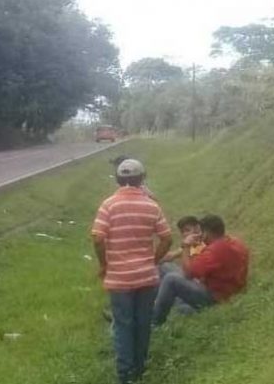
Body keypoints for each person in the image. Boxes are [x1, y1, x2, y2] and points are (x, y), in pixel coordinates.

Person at [92, 159, 173, 384]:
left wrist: (104, 264)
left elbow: (98, 237)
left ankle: (125, 373)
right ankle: (139, 367)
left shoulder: (108, 205)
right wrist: (153, 260)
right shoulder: (151, 206)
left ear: (118, 180)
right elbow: (167, 238)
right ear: (141, 179)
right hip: (146, 276)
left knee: (123, 324)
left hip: (119, 278)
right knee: (142, 322)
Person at [153, 215, 249, 326]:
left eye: (202, 233)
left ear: (207, 233)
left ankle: (154, 321)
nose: (201, 237)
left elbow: (188, 273)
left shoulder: (215, 251)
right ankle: (166, 303)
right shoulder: (234, 242)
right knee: (165, 267)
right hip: (222, 287)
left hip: (215, 297)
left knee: (170, 279)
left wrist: (186, 246)